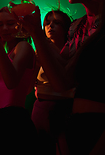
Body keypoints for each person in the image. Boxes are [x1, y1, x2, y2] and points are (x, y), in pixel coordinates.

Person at [19, 0, 105, 155]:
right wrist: (36, 32)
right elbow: (62, 63)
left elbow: (63, 80)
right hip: (73, 122)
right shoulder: (79, 26)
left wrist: (37, 34)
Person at [0, 6, 38, 155]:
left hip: (13, 119)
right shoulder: (7, 54)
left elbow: (11, 83)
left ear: (20, 23)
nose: (4, 28)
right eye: (0, 24)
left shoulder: (23, 46)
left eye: (10, 23)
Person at [31, 10, 73, 155]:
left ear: (66, 27)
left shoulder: (72, 50)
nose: (51, 26)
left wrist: (40, 39)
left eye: (57, 23)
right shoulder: (40, 50)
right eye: (47, 23)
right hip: (40, 106)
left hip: (63, 108)